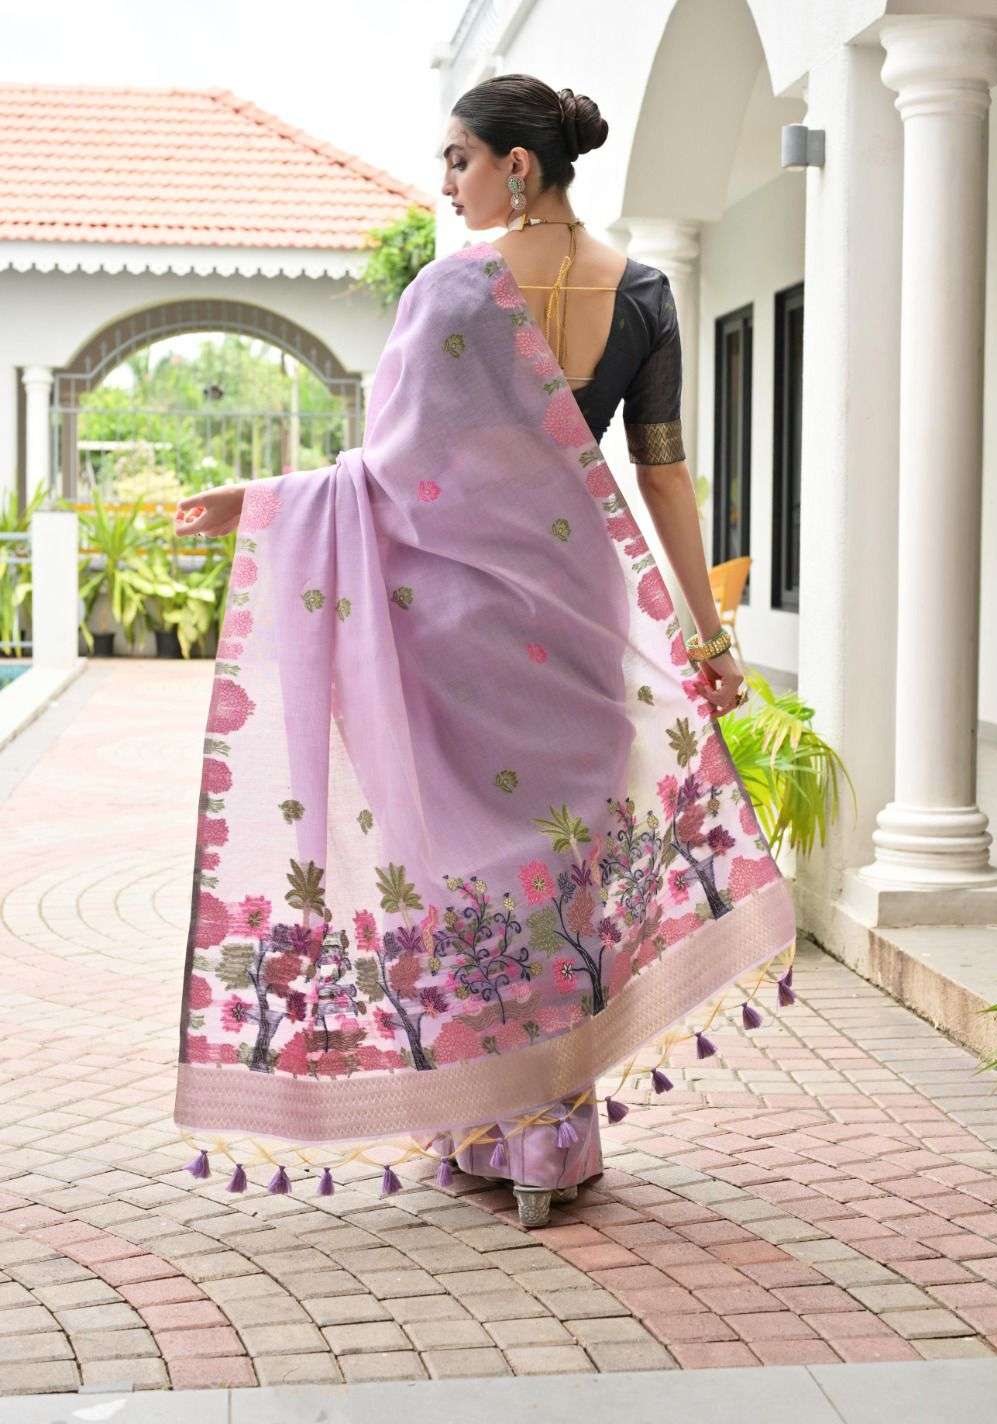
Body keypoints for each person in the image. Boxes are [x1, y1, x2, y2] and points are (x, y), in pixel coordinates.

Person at [172, 74, 794, 1228]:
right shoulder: (645, 292)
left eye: (458, 156)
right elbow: (662, 476)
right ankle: (548, 1131)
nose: (447, 179)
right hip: (581, 614)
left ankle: (491, 1123)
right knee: (562, 873)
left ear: (517, 164)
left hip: (457, 620)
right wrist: (706, 638)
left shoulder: (454, 291)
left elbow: (390, 472)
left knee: (468, 873)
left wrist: (261, 502)